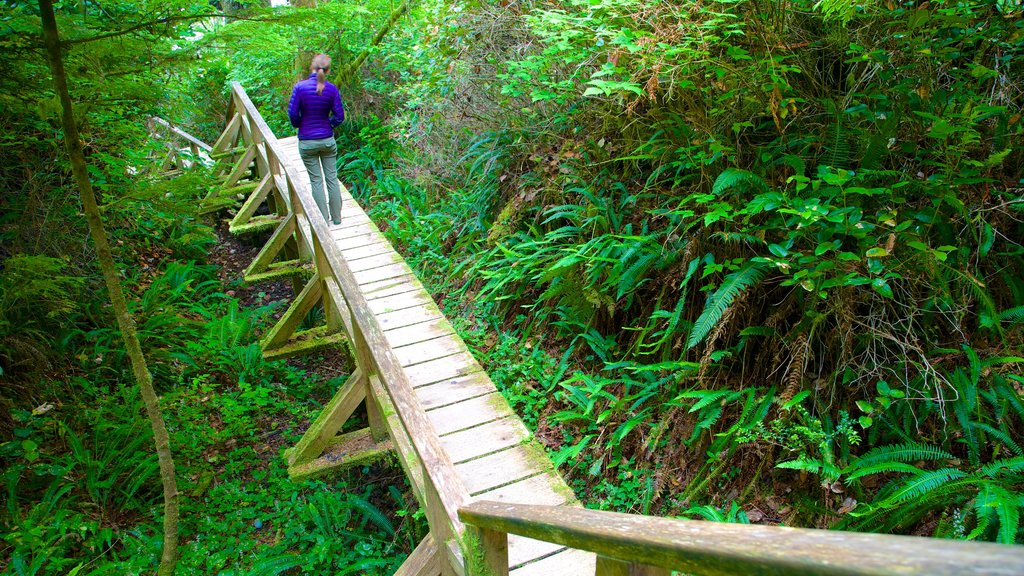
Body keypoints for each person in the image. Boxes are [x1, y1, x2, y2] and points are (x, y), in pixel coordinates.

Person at [288, 53, 345, 225]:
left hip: (307, 141)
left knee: (316, 181)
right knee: (332, 178)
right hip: (327, 140)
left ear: (312, 67)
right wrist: (328, 125)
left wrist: (301, 125)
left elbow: (292, 114)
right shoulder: (332, 89)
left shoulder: (300, 87)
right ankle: (337, 218)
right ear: (327, 70)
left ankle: (324, 222)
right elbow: (339, 116)